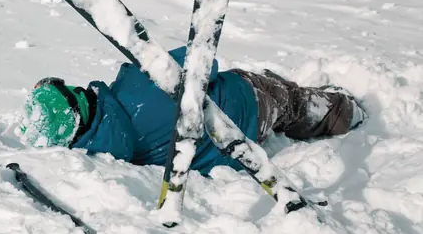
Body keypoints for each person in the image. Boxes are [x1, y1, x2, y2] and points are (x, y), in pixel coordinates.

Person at [18, 46, 367, 175]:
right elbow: (203, 61)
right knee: (291, 101)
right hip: (247, 101)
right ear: (78, 94)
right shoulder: (137, 84)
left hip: (231, 151)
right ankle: (346, 112)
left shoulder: (109, 152)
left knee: (276, 101)